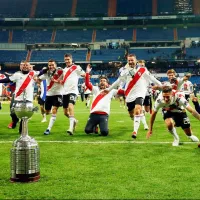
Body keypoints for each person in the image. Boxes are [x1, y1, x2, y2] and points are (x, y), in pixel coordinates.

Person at [104, 54, 162, 139]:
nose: (131, 62)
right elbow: (118, 81)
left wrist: (161, 86)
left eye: (132, 60)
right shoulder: (124, 70)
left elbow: (152, 78)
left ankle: (135, 131)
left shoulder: (142, 69)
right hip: (129, 94)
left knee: (138, 110)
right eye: (129, 60)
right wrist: (109, 89)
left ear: (136, 60)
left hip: (140, 93)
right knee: (132, 114)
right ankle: (134, 118)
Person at [0, 61, 48, 133]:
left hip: (28, 99)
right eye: (24, 65)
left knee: (24, 115)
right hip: (17, 98)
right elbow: (7, 79)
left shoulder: (33, 73)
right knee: (13, 113)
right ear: (21, 67)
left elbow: (41, 72)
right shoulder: (17, 74)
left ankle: (21, 131)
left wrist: (49, 68)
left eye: (27, 65)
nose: (25, 66)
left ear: (29, 67)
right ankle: (15, 121)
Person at [84, 64, 123, 136]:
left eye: (104, 81)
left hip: (104, 115)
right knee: (87, 130)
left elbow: (122, 92)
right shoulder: (95, 89)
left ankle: (101, 127)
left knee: (104, 133)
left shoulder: (111, 90)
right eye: (101, 81)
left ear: (108, 84)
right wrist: (87, 72)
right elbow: (87, 84)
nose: (102, 82)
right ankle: (95, 126)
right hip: (93, 114)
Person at [56, 53, 85, 135]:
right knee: (65, 112)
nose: (67, 61)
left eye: (68, 59)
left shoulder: (76, 67)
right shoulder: (64, 70)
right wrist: (57, 81)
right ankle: (74, 120)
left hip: (73, 91)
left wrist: (86, 75)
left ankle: (71, 128)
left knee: (70, 106)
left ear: (71, 59)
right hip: (65, 92)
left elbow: (84, 75)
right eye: (65, 60)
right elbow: (62, 81)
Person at [39, 59, 63, 135]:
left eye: (52, 65)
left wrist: (57, 81)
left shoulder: (61, 72)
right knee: (47, 112)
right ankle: (73, 119)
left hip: (58, 94)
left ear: (55, 65)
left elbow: (65, 80)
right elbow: (38, 78)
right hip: (49, 95)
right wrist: (37, 81)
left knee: (54, 109)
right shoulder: (47, 73)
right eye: (49, 65)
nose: (51, 66)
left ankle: (48, 129)